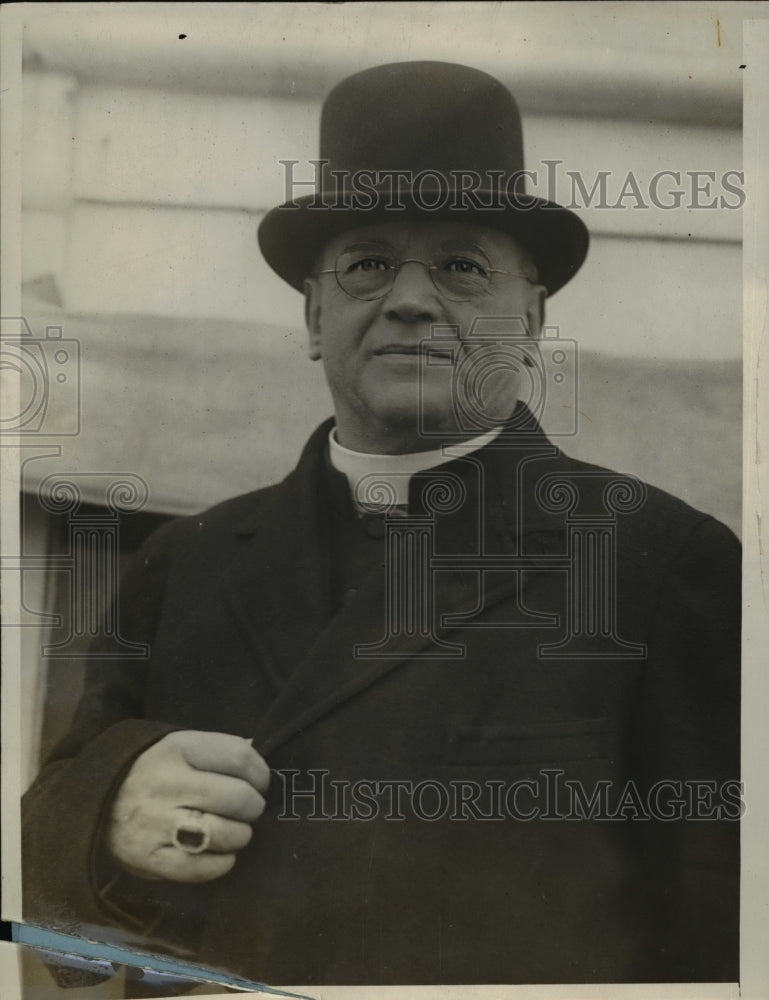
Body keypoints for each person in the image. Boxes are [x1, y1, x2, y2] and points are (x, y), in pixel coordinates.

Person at [23, 61, 740, 988]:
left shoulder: (659, 563)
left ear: (530, 317)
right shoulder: (185, 563)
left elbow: (722, 934)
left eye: (459, 265)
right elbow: (44, 879)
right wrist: (106, 815)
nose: (407, 298)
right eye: (366, 263)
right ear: (316, 315)